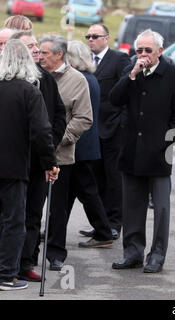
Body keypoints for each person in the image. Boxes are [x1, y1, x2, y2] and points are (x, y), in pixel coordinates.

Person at [110, 29, 175, 273]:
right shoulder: (131, 72)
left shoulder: (174, 74)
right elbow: (114, 99)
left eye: (148, 50)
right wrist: (132, 75)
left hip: (158, 154)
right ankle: (132, 252)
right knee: (132, 206)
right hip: (131, 151)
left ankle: (156, 255)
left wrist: (164, 144)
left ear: (160, 52)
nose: (143, 55)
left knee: (161, 209)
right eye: (139, 50)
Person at [0, 39, 58, 291]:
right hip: (14, 168)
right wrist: (50, 163)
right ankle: (6, 274)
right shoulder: (29, 91)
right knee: (14, 222)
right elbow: (42, 133)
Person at [10, 30, 66, 282]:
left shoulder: (45, 79)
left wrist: (48, 151)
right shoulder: (7, 81)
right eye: (29, 46)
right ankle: (7, 264)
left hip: (39, 162)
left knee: (33, 215)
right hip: (12, 161)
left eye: (36, 45)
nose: (35, 50)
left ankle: (26, 262)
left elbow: (57, 117)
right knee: (11, 216)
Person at [39, 35, 93, 271]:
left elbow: (84, 118)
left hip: (60, 156)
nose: (40, 57)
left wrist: (59, 139)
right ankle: (27, 255)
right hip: (31, 156)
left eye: (45, 53)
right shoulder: (35, 77)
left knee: (57, 209)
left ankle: (55, 253)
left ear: (59, 54)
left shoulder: (77, 80)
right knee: (30, 209)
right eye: (39, 52)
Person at [79, 24, 131, 241]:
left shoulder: (118, 59)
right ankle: (100, 222)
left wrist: (121, 122)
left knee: (113, 179)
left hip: (113, 128)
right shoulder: (84, 61)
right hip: (92, 130)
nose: (90, 39)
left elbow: (127, 89)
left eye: (95, 36)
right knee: (96, 179)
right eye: (88, 36)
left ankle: (114, 223)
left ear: (106, 38)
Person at [66, 40, 113, 249]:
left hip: (79, 147)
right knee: (69, 193)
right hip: (84, 146)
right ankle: (53, 229)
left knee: (86, 192)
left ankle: (103, 232)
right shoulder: (90, 78)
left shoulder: (81, 79)